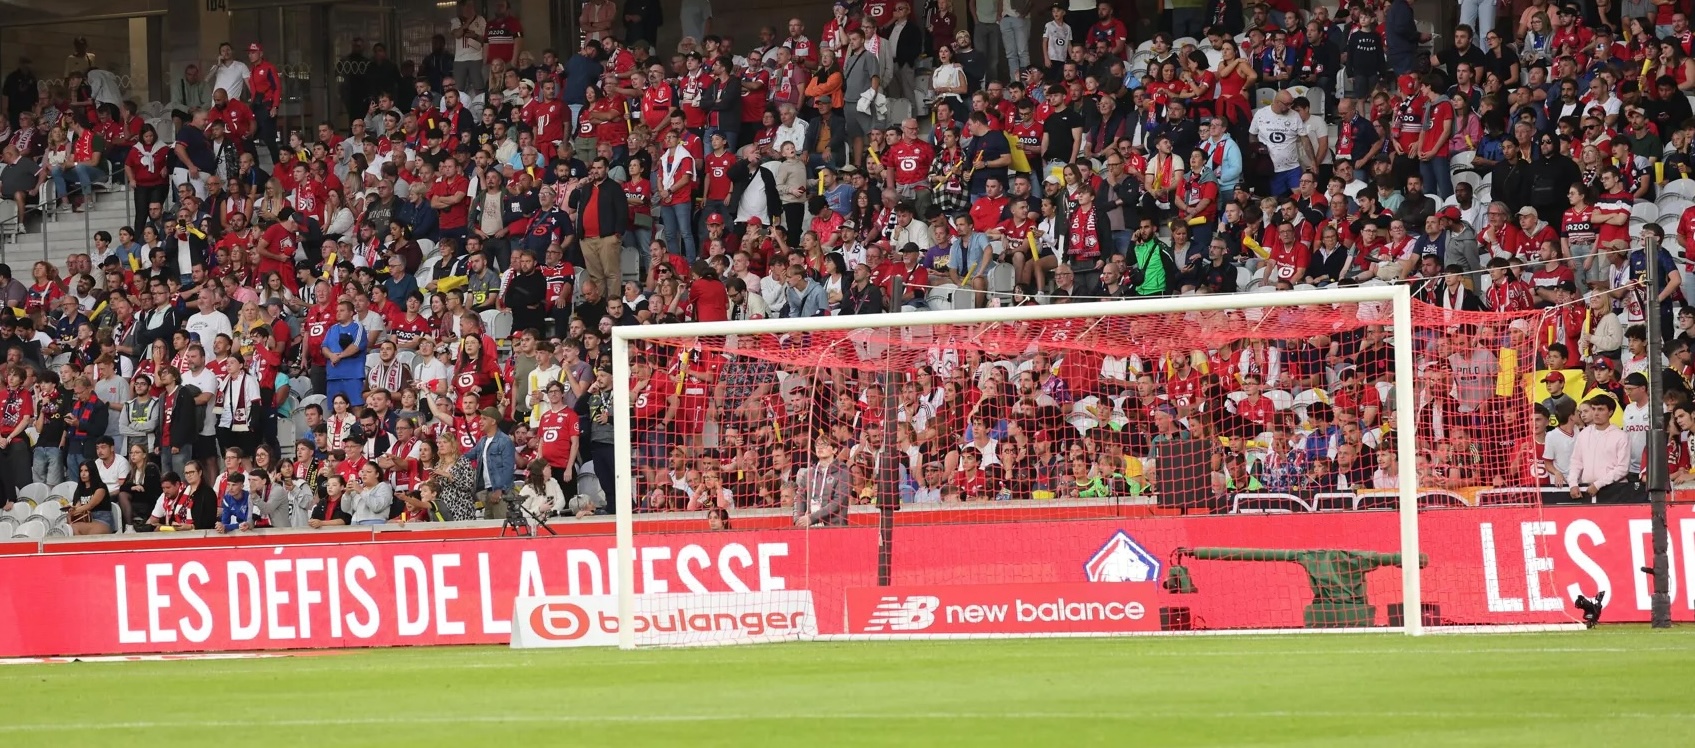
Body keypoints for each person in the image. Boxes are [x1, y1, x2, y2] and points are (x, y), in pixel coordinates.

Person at [797, 432, 851, 527]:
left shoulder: (843, 472)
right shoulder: (808, 474)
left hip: (835, 528)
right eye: (817, 445)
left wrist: (812, 518)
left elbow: (838, 502)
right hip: (810, 528)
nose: (820, 447)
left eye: (825, 444)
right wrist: (798, 520)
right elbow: (799, 498)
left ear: (834, 450)